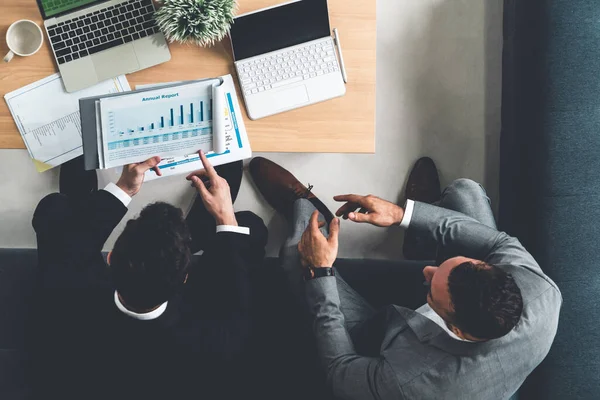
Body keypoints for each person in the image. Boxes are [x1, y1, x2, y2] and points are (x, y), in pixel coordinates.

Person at [249, 156, 562, 400]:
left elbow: (340, 370)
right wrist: (402, 215)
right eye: (447, 266)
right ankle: (421, 239)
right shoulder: (541, 292)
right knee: (465, 192)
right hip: (479, 336)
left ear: (453, 327)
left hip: (396, 349)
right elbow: (497, 243)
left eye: (433, 288)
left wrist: (320, 272)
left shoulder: (410, 383)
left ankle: (304, 207)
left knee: (294, 255)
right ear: (492, 269)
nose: (426, 271)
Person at [31, 151, 267, 400]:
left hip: (90, 366)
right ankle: (191, 237)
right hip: (174, 348)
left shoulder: (64, 293)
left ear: (110, 257)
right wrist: (224, 216)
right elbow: (234, 297)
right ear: (186, 277)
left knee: (56, 211)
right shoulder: (216, 340)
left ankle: (183, 238)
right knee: (252, 227)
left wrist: (124, 188)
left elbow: (66, 245)